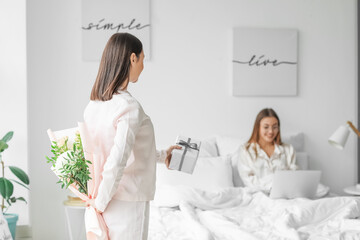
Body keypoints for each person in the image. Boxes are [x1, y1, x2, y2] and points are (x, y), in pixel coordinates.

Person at [84, 33, 180, 239]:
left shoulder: (93, 106)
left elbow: (122, 151)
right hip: (126, 202)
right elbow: (118, 159)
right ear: (132, 58)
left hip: (103, 197)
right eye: (143, 59)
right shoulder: (128, 107)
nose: (143, 66)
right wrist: (100, 203)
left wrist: (164, 156)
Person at [235, 108, 298, 193]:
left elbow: (295, 177)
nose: (271, 131)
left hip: (284, 195)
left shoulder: (288, 149)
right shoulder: (246, 150)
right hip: (258, 195)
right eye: (266, 127)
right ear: (258, 128)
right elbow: (249, 181)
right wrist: (272, 185)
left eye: (275, 127)